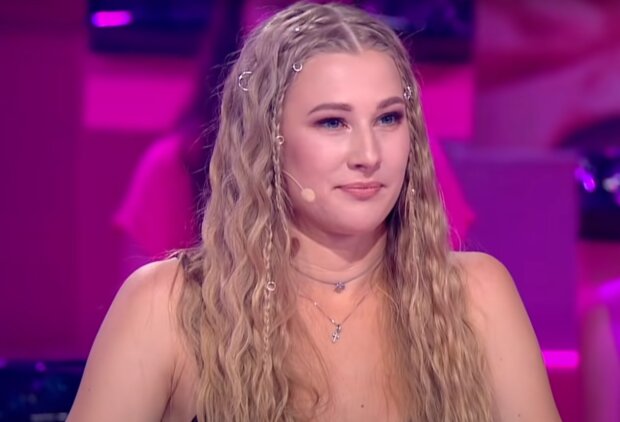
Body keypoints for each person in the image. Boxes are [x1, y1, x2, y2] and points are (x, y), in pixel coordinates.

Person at [68, 2, 560, 421]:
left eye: (388, 118)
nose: (369, 154)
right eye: (332, 122)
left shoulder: (476, 297)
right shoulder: (166, 307)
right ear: (267, 141)